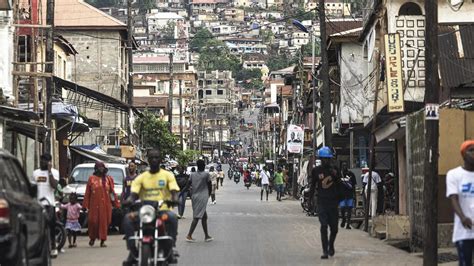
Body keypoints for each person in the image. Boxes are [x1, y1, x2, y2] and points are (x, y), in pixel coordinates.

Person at [122, 148, 180, 265]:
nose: (154, 160)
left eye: (156, 157)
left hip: (162, 210)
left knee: (173, 218)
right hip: (145, 211)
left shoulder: (167, 175)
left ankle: (171, 246)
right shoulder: (141, 177)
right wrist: (128, 201)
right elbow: (133, 194)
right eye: (151, 158)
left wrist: (174, 199)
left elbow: (174, 191)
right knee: (128, 219)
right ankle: (132, 250)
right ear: (148, 160)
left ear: (160, 160)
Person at [447, 140, 474, 266]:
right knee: (465, 263)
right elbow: (454, 198)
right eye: (471, 150)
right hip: (464, 231)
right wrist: (463, 218)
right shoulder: (454, 175)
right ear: (463, 154)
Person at [310, 146, 340, 259]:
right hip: (322, 202)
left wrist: (335, 175)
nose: (326, 161)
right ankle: (325, 250)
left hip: (333, 203)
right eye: (324, 159)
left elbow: (340, 184)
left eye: (328, 159)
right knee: (323, 226)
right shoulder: (316, 171)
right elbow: (313, 186)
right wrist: (310, 201)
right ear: (321, 159)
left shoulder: (335, 170)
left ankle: (331, 244)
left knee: (334, 229)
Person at [83, 161, 119, 247]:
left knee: (104, 222)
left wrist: (115, 204)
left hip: (106, 205)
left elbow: (111, 193)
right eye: (100, 167)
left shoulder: (108, 179)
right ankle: (92, 238)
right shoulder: (91, 178)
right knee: (93, 221)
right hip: (94, 205)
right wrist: (85, 205)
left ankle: (103, 240)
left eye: (103, 168)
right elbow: (87, 193)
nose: (101, 169)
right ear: (96, 169)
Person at [33, 153, 59, 257]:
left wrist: (49, 172)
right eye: (42, 160)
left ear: (49, 162)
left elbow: (54, 186)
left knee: (51, 227)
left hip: (49, 204)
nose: (43, 162)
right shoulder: (35, 173)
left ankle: (53, 246)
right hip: (38, 204)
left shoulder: (54, 172)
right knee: (39, 228)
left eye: (45, 160)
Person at [185, 159, 213, 242]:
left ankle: (206, 236)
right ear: (203, 166)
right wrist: (209, 194)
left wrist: (185, 192)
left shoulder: (192, 175)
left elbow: (188, 185)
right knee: (197, 217)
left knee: (204, 217)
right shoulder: (206, 174)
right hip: (202, 196)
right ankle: (189, 235)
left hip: (194, 196)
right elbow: (209, 185)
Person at [339, 162, 357, 229]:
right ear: (341, 167)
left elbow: (354, 185)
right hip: (342, 195)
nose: (344, 167)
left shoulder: (351, 174)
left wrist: (354, 195)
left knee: (349, 209)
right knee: (342, 208)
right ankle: (343, 219)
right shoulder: (339, 175)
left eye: (346, 165)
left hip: (350, 194)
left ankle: (348, 224)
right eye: (343, 166)